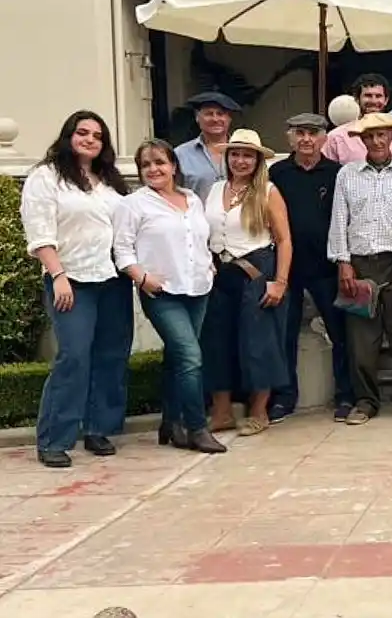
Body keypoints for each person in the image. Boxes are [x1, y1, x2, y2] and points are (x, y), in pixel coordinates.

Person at [21, 111, 132, 468]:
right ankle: (54, 438)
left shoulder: (110, 181)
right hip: (72, 280)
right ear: (69, 135)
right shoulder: (47, 176)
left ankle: (99, 429)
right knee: (74, 356)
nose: (90, 140)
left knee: (111, 354)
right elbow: (40, 231)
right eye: (82, 132)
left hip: (112, 279)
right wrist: (57, 275)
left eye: (97, 136)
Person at [113, 139, 226, 454]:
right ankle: (196, 428)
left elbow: (200, 240)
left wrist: (209, 267)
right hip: (161, 292)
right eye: (146, 165)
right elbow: (122, 249)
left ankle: (170, 422)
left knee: (177, 357)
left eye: (160, 162)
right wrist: (142, 277)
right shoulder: (133, 204)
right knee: (190, 357)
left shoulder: (192, 199)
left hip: (198, 288)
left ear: (174, 166)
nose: (154, 169)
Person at [328, 112, 392, 425]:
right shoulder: (347, 175)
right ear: (361, 140)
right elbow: (339, 220)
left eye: (382, 135)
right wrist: (343, 262)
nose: (376, 141)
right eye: (369, 136)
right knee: (361, 339)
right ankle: (366, 400)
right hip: (360, 262)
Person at [201, 129, 293, 437]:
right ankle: (222, 411)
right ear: (228, 158)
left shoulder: (268, 191)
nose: (241, 161)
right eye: (235, 154)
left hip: (256, 271)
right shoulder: (214, 191)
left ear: (257, 161)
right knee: (216, 341)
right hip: (219, 274)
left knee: (259, 342)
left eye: (247, 155)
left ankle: (258, 411)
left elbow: (283, 240)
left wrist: (279, 282)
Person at [268, 113, 352, 424]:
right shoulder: (277, 173)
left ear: (324, 138)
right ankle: (284, 397)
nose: (306, 139)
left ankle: (345, 395)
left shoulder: (336, 173)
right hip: (287, 267)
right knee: (284, 334)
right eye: (300, 133)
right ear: (290, 137)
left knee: (339, 333)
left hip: (327, 266)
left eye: (313, 133)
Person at [321, 74, 392, 170]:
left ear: (386, 100)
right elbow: (325, 174)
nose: (374, 101)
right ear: (357, 99)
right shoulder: (337, 137)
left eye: (378, 96)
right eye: (368, 96)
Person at [176, 91, 241, 202]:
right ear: (197, 117)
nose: (215, 119)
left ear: (229, 119)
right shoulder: (180, 154)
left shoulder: (244, 152)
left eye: (220, 114)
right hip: (196, 218)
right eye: (209, 114)